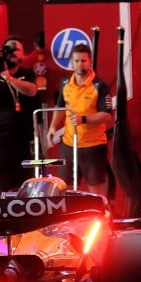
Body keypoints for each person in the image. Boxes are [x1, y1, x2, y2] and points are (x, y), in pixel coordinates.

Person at [0, 37, 43, 194]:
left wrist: (10, 79)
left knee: (23, 187)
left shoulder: (26, 73)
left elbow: (32, 91)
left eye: (16, 50)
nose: (12, 54)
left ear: (23, 55)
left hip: (22, 138)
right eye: (8, 50)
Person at [49, 42, 114, 198]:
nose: (80, 64)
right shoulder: (65, 84)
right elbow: (60, 107)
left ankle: (102, 219)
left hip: (93, 146)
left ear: (90, 61)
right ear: (72, 62)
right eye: (76, 61)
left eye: (83, 60)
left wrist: (83, 119)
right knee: (63, 188)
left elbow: (107, 114)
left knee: (96, 190)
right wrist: (52, 128)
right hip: (69, 145)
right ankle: (67, 221)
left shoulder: (100, 85)